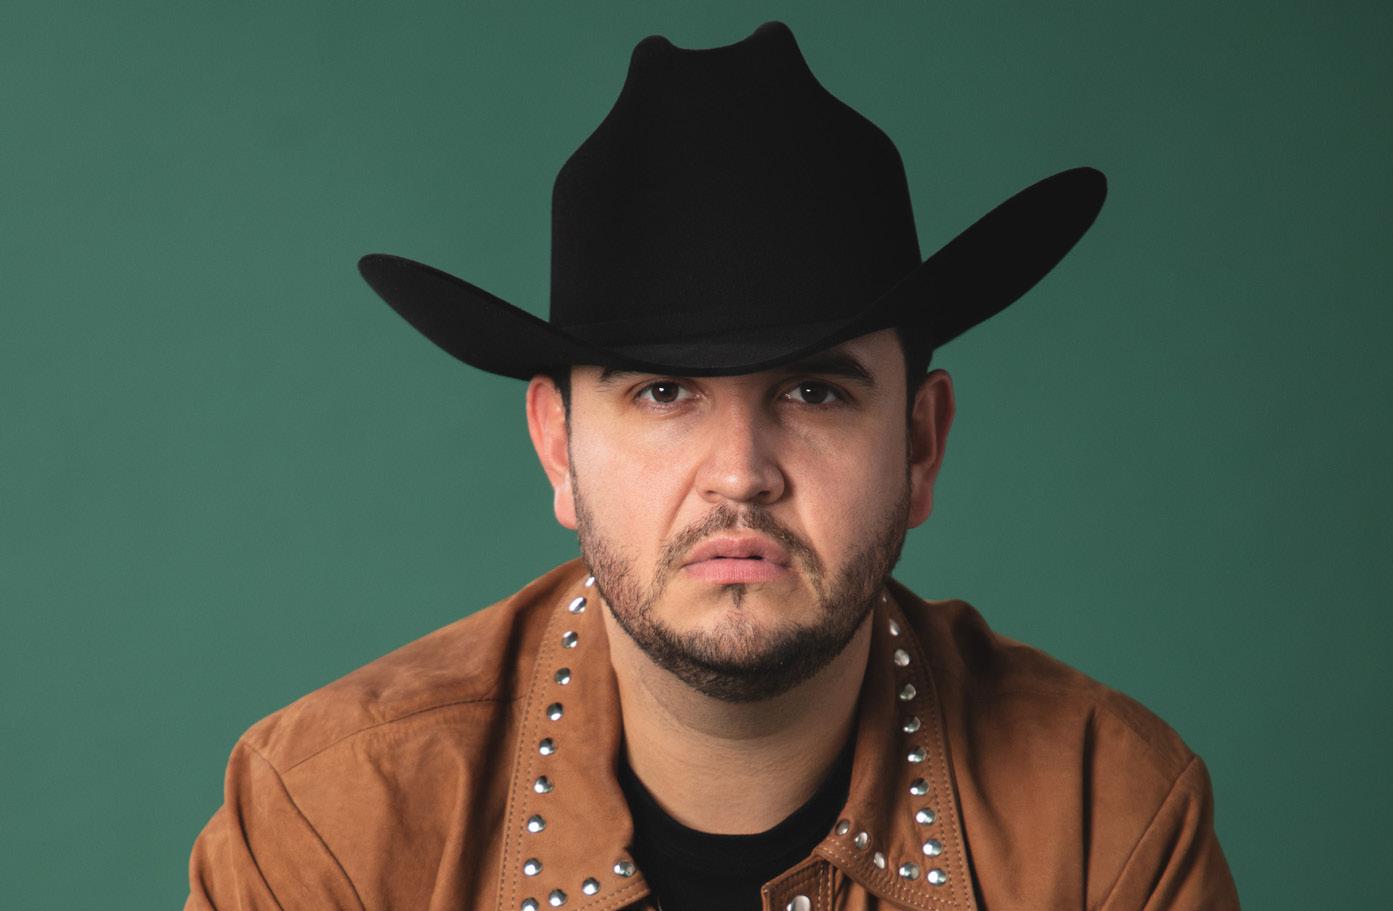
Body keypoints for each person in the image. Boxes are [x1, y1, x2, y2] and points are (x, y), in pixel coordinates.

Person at [185, 20, 1240, 911]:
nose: (739, 473)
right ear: (557, 446)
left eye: (813, 392)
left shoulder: (1107, 823)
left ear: (919, 444)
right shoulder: (329, 827)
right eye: (662, 393)